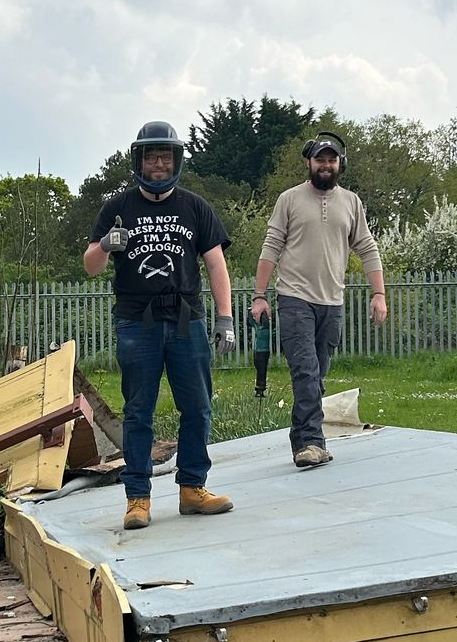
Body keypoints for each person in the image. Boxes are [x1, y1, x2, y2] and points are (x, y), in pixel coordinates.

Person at [83, 121, 236, 531]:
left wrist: (225, 316)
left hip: (187, 321)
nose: (157, 164)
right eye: (150, 157)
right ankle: (137, 498)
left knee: (198, 407)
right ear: (139, 161)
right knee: (138, 411)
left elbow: (216, 264)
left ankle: (193, 489)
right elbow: (91, 265)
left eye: (164, 157)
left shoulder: (195, 207)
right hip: (137, 323)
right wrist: (105, 246)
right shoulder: (117, 207)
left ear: (176, 160)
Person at [250, 133, 387, 469]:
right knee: (306, 371)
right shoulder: (289, 199)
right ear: (309, 162)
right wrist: (259, 296)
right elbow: (271, 247)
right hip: (294, 298)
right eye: (320, 159)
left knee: (317, 375)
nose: (326, 165)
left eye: (332, 160)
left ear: (340, 164)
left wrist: (379, 294)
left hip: (332, 301)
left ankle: (304, 438)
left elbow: (367, 248)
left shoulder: (351, 202)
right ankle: (311, 442)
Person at [252, 308, 272, 397]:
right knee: (261, 370)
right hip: (263, 353)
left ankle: (260, 388)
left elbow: (249, 322)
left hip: (260, 352)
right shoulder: (264, 329)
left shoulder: (260, 328)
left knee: (260, 370)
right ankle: (260, 388)